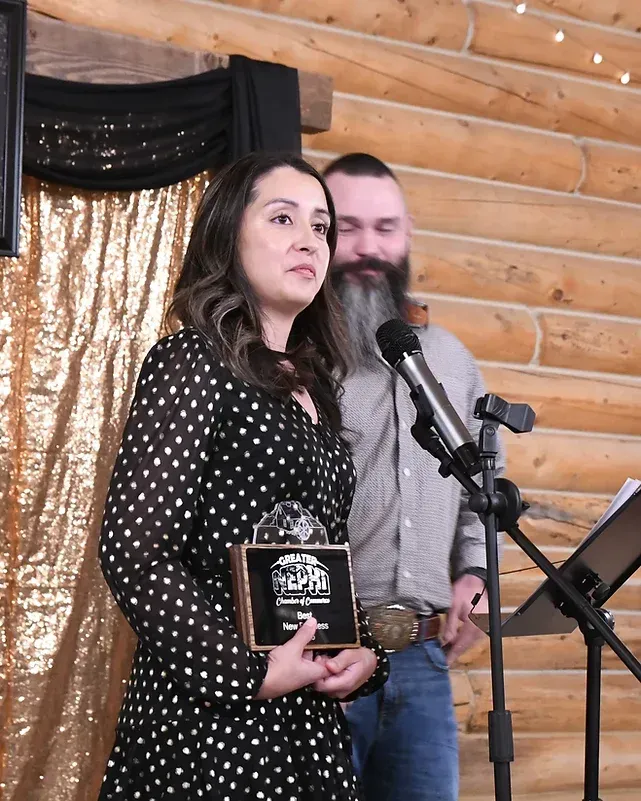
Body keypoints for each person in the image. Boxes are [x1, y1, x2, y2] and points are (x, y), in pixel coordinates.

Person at [97, 152, 389, 801]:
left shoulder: (318, 391)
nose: (307, 239)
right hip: (211, 720)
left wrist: (362, 652)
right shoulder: (192, 359)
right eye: (282, 218)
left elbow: (318, 555)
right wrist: (247, 669)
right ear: (228, 234)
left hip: (305, 720)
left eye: (320, 226)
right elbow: (134, 552)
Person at [324, 153, 504, 801]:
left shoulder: (450, 360)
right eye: (347, 228)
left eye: (385, 227)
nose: (368, 247)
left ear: (407, 236)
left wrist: (476, 573)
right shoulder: (296, 358)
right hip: (322, 661)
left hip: (425, 663)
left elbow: (484, 481)